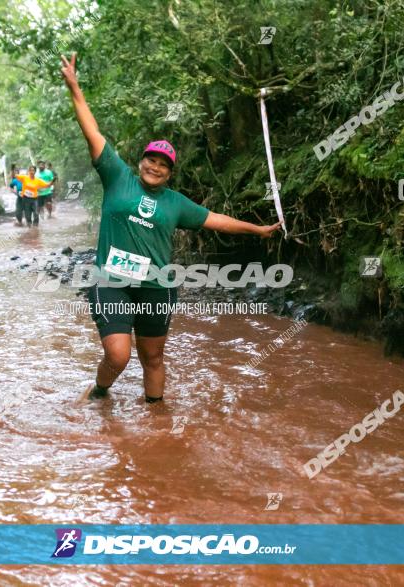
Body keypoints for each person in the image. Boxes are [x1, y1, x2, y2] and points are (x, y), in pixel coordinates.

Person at [60, 53, 281, 405]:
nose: (156, 167)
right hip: (111, 284)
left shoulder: (176, 203)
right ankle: (100, 390)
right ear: (141, 161)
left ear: (170, 172)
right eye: (151, 159)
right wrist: (74, 87)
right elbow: (92, 130)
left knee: (153, 358)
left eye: (164, 165)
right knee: (118, 356)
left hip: (156, 288)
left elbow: (216, 220)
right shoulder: (117, 177)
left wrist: (257, 230)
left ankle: (156, 417)